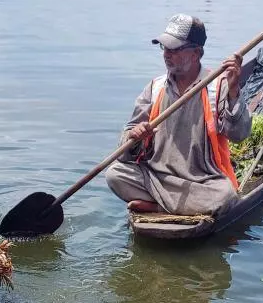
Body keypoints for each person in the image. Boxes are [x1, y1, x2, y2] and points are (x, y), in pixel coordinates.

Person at [105, 14, 250, 216]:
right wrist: (134, 136)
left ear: (197, 53)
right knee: (114, 175)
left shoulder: (218, 86)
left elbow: (239, 134)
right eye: (164, 48)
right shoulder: (155, 87)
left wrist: (234, 91)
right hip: (156, 176)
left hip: (203, 181)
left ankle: (157, 206)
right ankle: (179, 207)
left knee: (225, 196)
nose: (167, 54)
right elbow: (124, 149)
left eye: (175, 49)